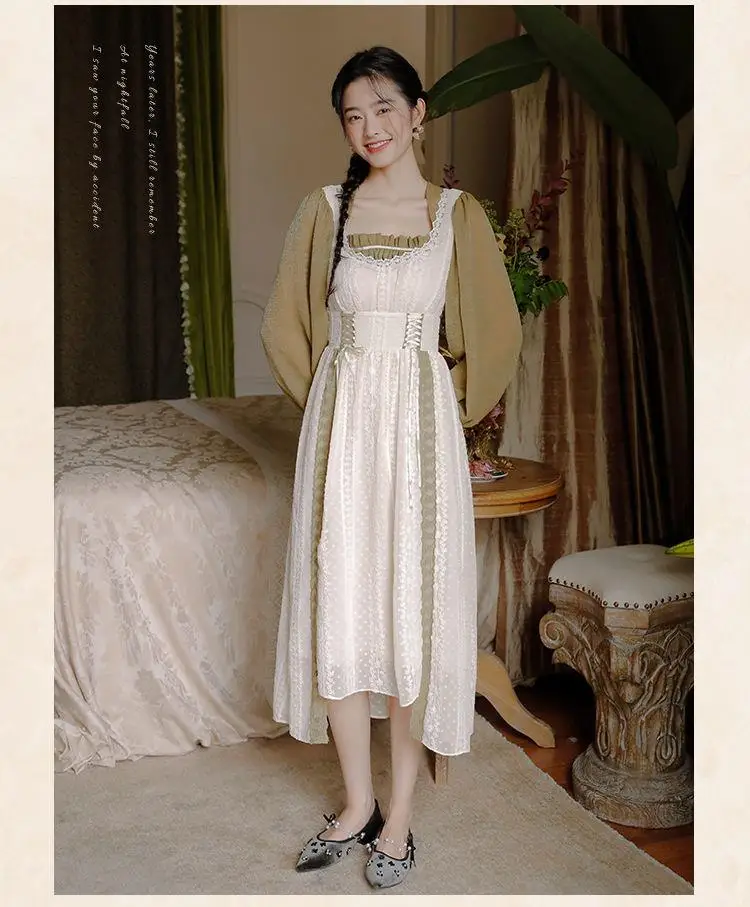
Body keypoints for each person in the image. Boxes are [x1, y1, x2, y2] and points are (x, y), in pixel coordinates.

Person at [260, 46, 522, 889]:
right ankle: (357, 802)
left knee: (409, 616)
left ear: (417, 113)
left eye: (383, 108)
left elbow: (498, 335)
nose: (369, 127)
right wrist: (331, 405)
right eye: (352, 114)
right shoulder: (323, 210)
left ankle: (400, 817)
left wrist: (439, 403)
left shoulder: (457, 216)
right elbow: (285, 329)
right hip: (341, 436)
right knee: (340, 604)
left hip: (418, 436)